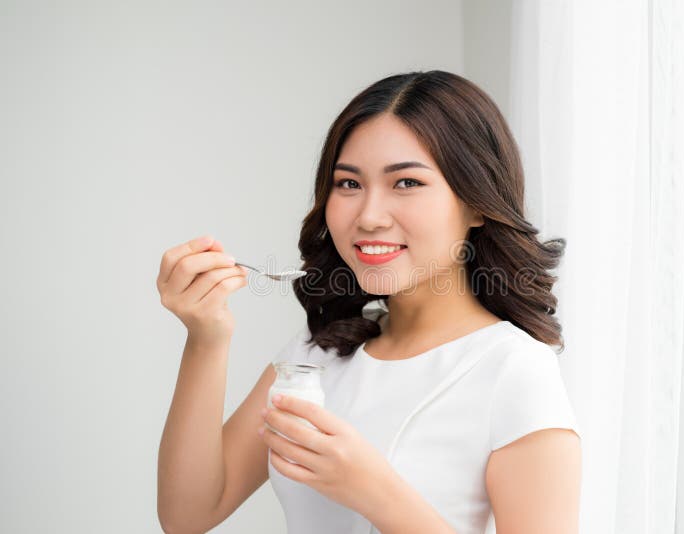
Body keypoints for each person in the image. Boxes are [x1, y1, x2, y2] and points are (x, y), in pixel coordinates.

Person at [156, 70, 582, 534]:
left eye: (406, 184)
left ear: (477, 203)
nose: (369, 216)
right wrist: (206, 338)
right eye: (349, 184)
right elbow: (189, 514)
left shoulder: (514, 369)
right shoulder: (319, 351)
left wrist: (374, 491)